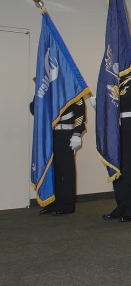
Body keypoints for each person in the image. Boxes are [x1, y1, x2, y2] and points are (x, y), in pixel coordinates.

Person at [31, 82, 85, 216]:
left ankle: (66, 204)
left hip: (66, 133)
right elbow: (34, 109)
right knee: (51, 168)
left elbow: (80, 112)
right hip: (50, 134)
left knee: (66, 170)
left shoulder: (71, 85)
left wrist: (77, 133)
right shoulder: (48, 87)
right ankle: (52, 203)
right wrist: (38, 93)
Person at [100, 70, 131, 222]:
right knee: (117, 168)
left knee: (130, 170)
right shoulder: (115, 81)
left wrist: (106, 100)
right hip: (116, 129)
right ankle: (122, 205)